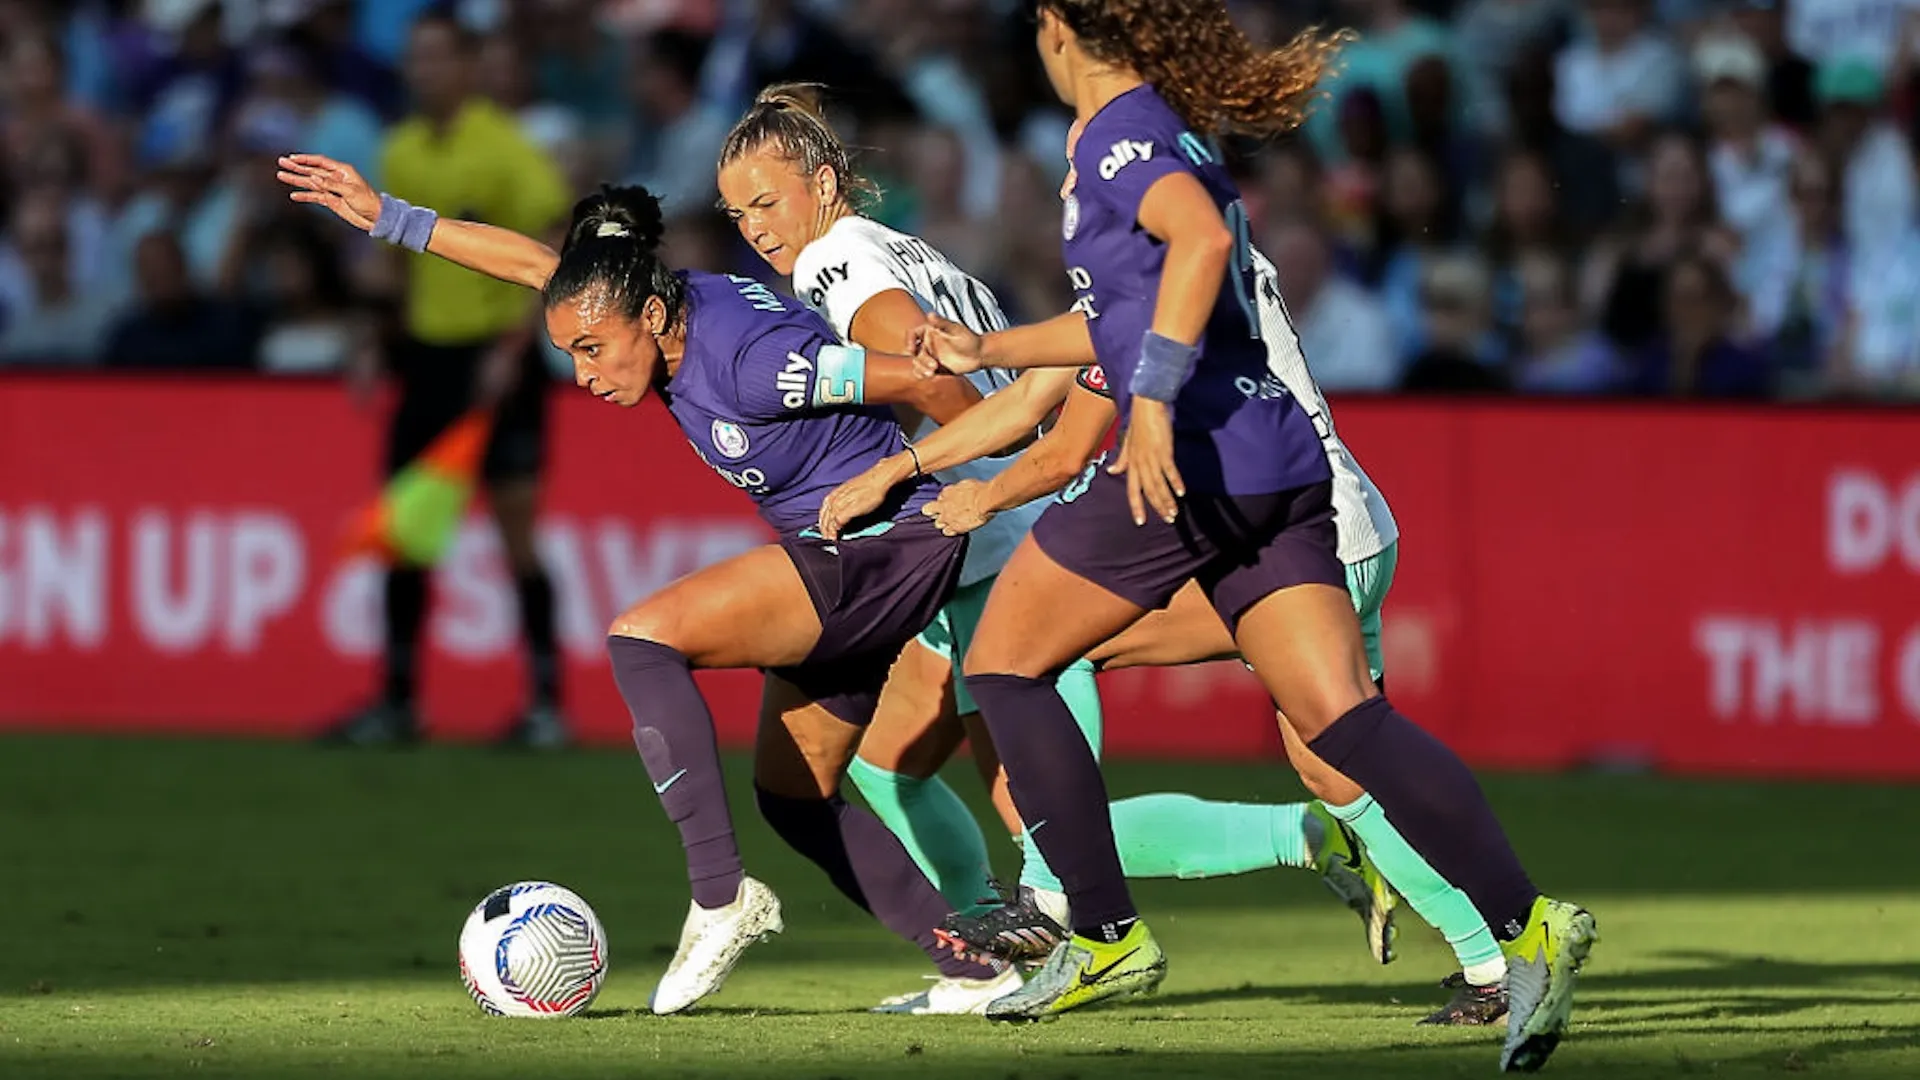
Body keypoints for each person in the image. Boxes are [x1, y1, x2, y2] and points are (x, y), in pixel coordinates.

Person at [822, 1, 1595, 1067]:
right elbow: (1122, 312)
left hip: (1195, 457)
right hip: (1278, 460)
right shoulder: (1163, 126)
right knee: (1342, 722)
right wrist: (986, 343)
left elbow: (1198, 240)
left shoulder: (1116, 134)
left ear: (1060, 28)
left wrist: (1148, 401)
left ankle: (1101, 933)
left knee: (1003, 660)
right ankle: (1529, 926)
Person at [714, 86, 1400, 1015]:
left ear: (824, 184)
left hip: (984, 543)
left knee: (1040, 821)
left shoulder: (836, 261)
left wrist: (951, 474)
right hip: (994, 536)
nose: (755, 228)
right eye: (737, 212)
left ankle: (1266, 855)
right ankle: (1003, 952)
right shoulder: (907, 246)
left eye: (768, 201)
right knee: (889, 766)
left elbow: (924, 370)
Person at [276, 156, 1007, 1015]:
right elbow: (535, 267)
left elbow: (927, 379)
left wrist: (1003, 481)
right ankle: (980, 970)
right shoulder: (641, 298)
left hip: (881, 548)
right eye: (568, 351)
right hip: (861, 556)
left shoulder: (751, 364)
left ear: (650, 317)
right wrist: (390, 218)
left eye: (590, 350)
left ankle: (719, 896)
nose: (582, 374)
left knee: (644, 636)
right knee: (793, 797)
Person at [319, 11, 574, 749]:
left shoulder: (504, 149)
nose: (423, 71)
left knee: (516, 529)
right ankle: (399, 701)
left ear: (467, 65)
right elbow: (394, 258)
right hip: (427, 360)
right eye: (415, 59)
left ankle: (546, 707)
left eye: (436, 58)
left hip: (497, 356)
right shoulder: (399, 150)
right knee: (409, 531)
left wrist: (517, 340)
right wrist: (372, 339)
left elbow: (549, 243)